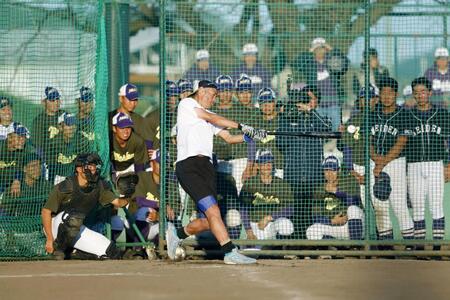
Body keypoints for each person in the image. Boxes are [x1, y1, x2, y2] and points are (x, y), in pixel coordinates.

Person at [165, 79, 267, 264]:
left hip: (206, 168)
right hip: (189, 167)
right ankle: (229, 252)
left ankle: (176, 233)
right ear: (201, 91)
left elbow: (227, 137)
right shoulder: (187, 104)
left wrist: (250, 136)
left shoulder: (208, 114)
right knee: (214, 212)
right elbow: (212, 118)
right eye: (212, 96)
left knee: (209, 221)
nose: (214, 100)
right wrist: (242, 125)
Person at [41, 153, 128, 259]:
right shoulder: (67, 186)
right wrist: (50, 239)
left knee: (111, 252)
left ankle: (73, 252)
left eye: (94, 166)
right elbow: (46, 212)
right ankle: (58, 249)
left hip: (77, 226)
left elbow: (118, 202)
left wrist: (127, 195)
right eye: (89, 166)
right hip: (56, 226)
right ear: (78, 169)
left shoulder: (99, 185)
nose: (93, 169)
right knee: (73, 218)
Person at [276, 83, 332, 238]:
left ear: (316, 102)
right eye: (304, 99)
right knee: (294, 213)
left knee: (312, 214)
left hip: (313, 176)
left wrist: (310, 112)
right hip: (293, 175)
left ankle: (313, 249)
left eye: (310, 99)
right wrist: (285, 116)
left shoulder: (319, 118)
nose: (306, 102)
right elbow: (281, 143)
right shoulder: (290, 117)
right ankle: (296, 247)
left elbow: (327, 129)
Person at [404, 77, 450, 242]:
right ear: (413, 95)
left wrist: (448, 165)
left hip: (436, 164)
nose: (420, 95)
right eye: (416, 93)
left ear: (429, 93)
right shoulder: (407, 116)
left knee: (436, 207)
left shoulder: (442, 114)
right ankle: (420, 247)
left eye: (423, 91)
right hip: (414, 165)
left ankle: (437, 248)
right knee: (417, 208)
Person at [369, 77, 414, 240]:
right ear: (379, 94)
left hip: (395, 162)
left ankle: (411, 245)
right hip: (375, 161)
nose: (387, 96)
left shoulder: (404, 114)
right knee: (380, 205)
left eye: (390, 93)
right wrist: (375, 158)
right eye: (383, 92)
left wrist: (382, 161)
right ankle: (386, 245)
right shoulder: (373, 114)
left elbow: (402, 141)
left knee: (399, 204)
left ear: (396, 95)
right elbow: (368, 140)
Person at [293, 37, 349, 130]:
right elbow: (297, 63)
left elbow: (345, 64)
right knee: (317, 130)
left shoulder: (333, 62)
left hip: (333, 102)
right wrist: (309, 52)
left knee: (335, 130)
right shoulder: (309, 64)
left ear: (326, 49)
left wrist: (332, 50)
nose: (319, 51)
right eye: (317, 48)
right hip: (316, 104)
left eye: (322, 48)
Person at [238, 149, 294, 241]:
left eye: (270, 162)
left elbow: (290, 209)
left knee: (286, 225)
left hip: (272, 224)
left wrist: (269, 217)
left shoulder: (282, 184)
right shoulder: (250, 183)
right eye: (264, 162)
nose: (268, 165)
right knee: (251, 253)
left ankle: (283, 252)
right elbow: (243, 209)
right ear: (257, 166)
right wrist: (248, 230)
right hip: (254, 225)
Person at [307, 156, 364, 240]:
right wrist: (332, 221)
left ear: (339, 170)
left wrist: (336, 191)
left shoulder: (349, 181)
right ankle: (334, 248)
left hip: (352, 226)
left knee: (353, 209)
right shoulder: (319, 189)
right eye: (326, 170)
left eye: (333, 170)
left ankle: (356, 247)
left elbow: (354, 202)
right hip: (336, 227)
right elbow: (315, 216)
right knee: (311, 231)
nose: (329, 174)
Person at [339, 85, 379, 203]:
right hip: (359, 167)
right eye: (363, 98)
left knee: (379, 206)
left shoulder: (382, 118)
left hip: (379, 166)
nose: (366, 101)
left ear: (375, 99)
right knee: (360, 204)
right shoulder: (353, 120)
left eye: (369, 97)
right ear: (359, 101)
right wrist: (352, 171)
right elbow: (346, 148)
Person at [45, 112, 80, 184]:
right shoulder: (54, 145)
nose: (72, 128)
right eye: (68, 124)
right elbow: (50, 170)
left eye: (74, 125)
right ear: (60, 127)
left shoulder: (79, 142)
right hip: (55, 180)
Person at [0, 125, 34, 196]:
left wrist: (17, 179)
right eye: (19, 137)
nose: (22, 141)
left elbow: (21, 168)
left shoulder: (25, 150)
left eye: (24, 137)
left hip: (12, 186)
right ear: (9, 137)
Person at [31, 87, 65, 151]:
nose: (56, 103)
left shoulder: (65, 115)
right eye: (52, 100)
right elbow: (38, 147)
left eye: (57, 99)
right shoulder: (38, 121)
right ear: (43, 102)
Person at [76, 87, 95, 151]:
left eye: (90, 100)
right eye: (85, 100)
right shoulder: (71, 123)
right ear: (77, 102)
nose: (88, 104)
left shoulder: (97, 121)